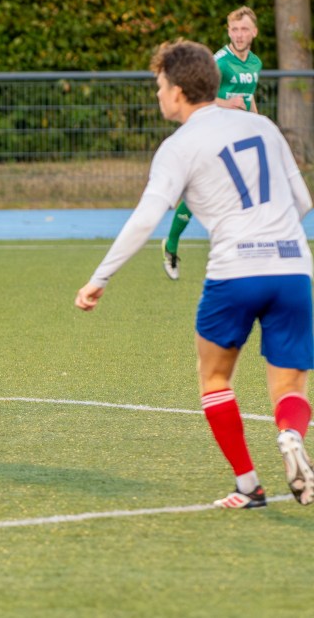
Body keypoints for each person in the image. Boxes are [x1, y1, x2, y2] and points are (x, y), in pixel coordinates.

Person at [76, 39, 314, 510]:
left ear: (180, 91)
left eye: (160, 85)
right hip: (293, 268)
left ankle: (248, 485)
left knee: (215, 379)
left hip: (234, 273)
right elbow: (303, 201)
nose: (158, 94)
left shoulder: (178, 146)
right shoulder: (263, 126)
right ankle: (290, 435)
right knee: (289, 387)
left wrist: (100, 277)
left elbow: (146, 218)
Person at [162, 7, 263, 280]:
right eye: (234, 29)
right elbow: (195, 95)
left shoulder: (255, 63)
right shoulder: (219, 62)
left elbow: (247, 97)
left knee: (244, 192)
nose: (239, 35)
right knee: (199, 192)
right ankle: (171, 245)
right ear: (228, 31)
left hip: (238, 137)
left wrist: (259, 123)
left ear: (254, 32)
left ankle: (242, 252)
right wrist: (226, 102)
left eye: (244, 29)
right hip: (212, 131)